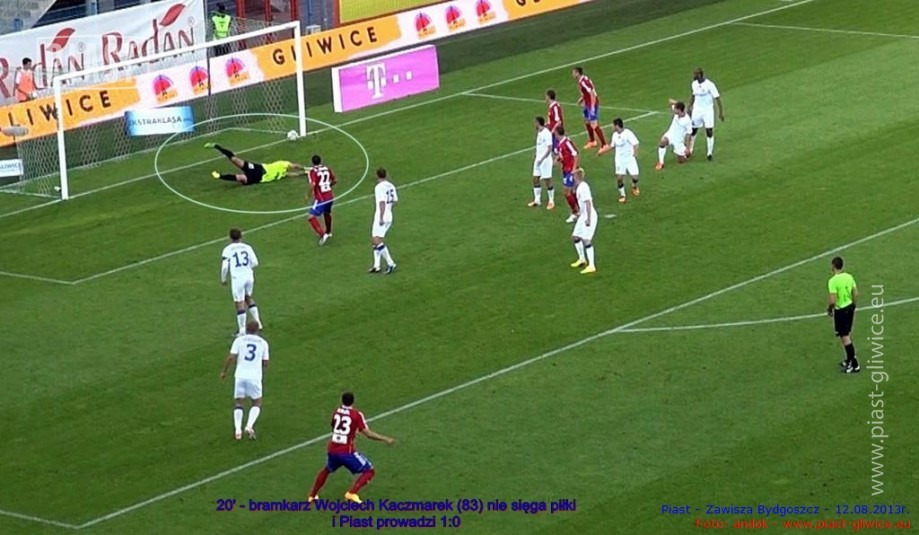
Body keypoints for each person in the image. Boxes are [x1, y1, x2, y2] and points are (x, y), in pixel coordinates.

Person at [307, 391, 396, 504]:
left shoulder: (336, 412)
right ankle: (352, 493)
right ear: (353, 401)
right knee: (369, 471)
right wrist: (385, 439)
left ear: (341, 400)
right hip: (346, 452)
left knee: (327, 470)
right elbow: (368, 434)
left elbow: (334, 426)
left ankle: (312, 495)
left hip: (332, 449)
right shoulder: (356, 415)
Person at [220, 321, 269, 440]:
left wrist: (224, 371)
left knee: (239, 402)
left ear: (246, 329)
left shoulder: (239, 340)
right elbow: (265, 363)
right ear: (257, 330)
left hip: (240, 376)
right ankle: (249, 425)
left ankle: (238, 430)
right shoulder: (263, 343)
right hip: (254, 377)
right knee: (257, 402)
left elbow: (231, 357)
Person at [220, 228, 262, 336]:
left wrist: (223, 279)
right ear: (241, 236)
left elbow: (225, 267)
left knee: (239, 302)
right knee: (248, 297)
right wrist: (246, 268)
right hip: (249, 276)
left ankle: (242, 330)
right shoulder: (247, 247)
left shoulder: (227, 249)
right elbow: (255, 262)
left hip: (238, 278)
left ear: (230, 237)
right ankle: (258, 322)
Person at [205, 142, 305, 185]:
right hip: (259, 168)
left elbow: (293, 174)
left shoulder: (283, 174)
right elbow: (294, 166)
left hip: (259, 178)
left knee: (241, 178)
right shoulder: (283, 163)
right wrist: (304, 168)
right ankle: (217, 146)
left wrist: (304, 173)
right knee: (235, 160)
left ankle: (219, 176)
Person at [827, 256, 859, 373]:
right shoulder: (849, 277)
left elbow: (833, 299)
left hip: (841, 311)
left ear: (833, 266)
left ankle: (854, 364)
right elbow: (856, 293)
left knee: (845, 337)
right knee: (846, 335)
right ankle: (849, 359)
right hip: (850, 307)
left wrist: (830, 308)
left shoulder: (833, 281)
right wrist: (853, 305)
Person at [687, 68, 724, 161]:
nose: (693, 76)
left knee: (709, 131)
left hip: (707, 110)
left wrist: (720, 112)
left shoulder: (710, 85)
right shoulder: (694, 84)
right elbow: (693, 96)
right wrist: (689, 107)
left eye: (695, 74)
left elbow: (717, 98)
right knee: (693, 130)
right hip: (697, 110)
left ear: (700, 75)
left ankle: (709, 153)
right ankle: (690, 150)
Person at [571, 67, 609, 154]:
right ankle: (592, 141)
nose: (572, 74)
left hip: (592, 104)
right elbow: (587, 92)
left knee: (594, 124)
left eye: (573, 72)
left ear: (577, 73)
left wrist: (592, 108)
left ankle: (604, 145)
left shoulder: (583, 82)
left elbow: (591, 93)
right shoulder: (583, 80)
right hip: (587, 103)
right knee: (587, 121)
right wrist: (581, 99)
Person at [369, 168, 399, 274]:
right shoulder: (391, 186)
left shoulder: (379, 187)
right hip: (389, 215)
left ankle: (391, 263)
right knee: (374, 239)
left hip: (381, 216)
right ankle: (376, 265)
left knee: (377, 240)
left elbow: (382, 202)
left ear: (377, 175)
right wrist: (389, 209)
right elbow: (395, 201)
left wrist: (381, 216)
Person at [569, 168, 597, 274]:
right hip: (583, 216)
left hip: (589, 216)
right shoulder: (579, 187)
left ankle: (592, 265)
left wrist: (588, 219)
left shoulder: (583, 188)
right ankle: (582, 259)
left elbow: (588, 203)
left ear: (577, 176)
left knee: (586, 240)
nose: (572, 178)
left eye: (573, 176)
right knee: (575, 237)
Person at [305, 154, 337, 245]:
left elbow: (313, 184)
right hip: (330, 196)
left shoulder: (313, 171)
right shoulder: (327, 168)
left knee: (311, 217)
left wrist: (307, 195)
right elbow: (335, 180)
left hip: (321, 198)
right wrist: (328, 186)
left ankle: (323, 235)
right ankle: (328, 232)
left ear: (312, 162)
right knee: (327, 213)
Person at [655, 100, 692, 170]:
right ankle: (661, 163)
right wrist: (676, 103)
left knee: (680, 161)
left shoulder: (687, 121)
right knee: (663, 142)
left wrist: (687, 147)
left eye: (675, 109)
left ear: (679, 110)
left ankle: (685, 153)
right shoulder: (677, 113)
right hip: (670, 134)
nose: (673, 110)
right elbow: (670, 101)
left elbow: (689, 134)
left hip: (679, 140)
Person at [610, 117, 640, 203]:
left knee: (635, 177)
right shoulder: (614, 135)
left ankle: (634, 186)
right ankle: (622, 195)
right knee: (619, 178)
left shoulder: (628, 133)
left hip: (630, 159)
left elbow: (636, 143)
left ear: (617, 126)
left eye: (613, 125)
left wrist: (635, 153)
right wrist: (602, 151)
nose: (612, 127)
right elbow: (612, 146)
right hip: (620, 160)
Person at [528, 116, 555, 210]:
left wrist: (542, 158)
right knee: (535, 178)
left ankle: (551, 201)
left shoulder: (547, 133)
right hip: (538, 160)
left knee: (547, 180)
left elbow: (549, 148)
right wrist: (536, 155)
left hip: (545, 161)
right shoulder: (539, 132)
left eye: (535, 122)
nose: (534, 124)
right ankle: (537, 200)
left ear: (538, 123)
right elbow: (540, 146)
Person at [556, 127, 580, 223]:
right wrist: (557, 160)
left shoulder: (567, 142)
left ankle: (575, 213)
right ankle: (580, 210)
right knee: (573, 192)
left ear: (557, 133)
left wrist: (574, 169)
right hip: (565, 170)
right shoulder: (560, 143)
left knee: (567, 192)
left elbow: (575, 154)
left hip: (570, 170)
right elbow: (563, 155)